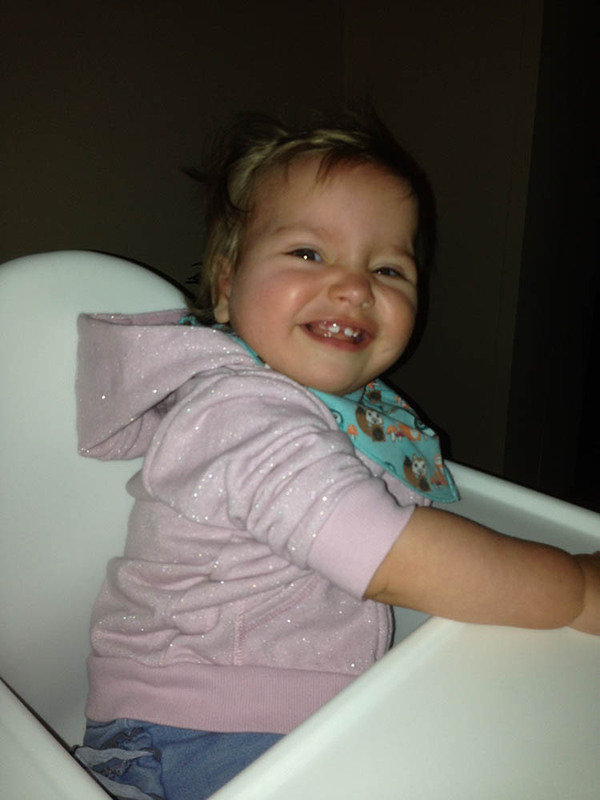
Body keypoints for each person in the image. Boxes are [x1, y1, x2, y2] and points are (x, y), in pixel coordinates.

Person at [74, 110, 600, 800]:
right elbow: (391, 559)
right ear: (226, 287)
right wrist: (574, 589)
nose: (355, 286)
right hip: (193, 728)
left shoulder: (334, 410)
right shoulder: (238, 415)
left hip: (288, 709)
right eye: (308, 253)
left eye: (388, 268)